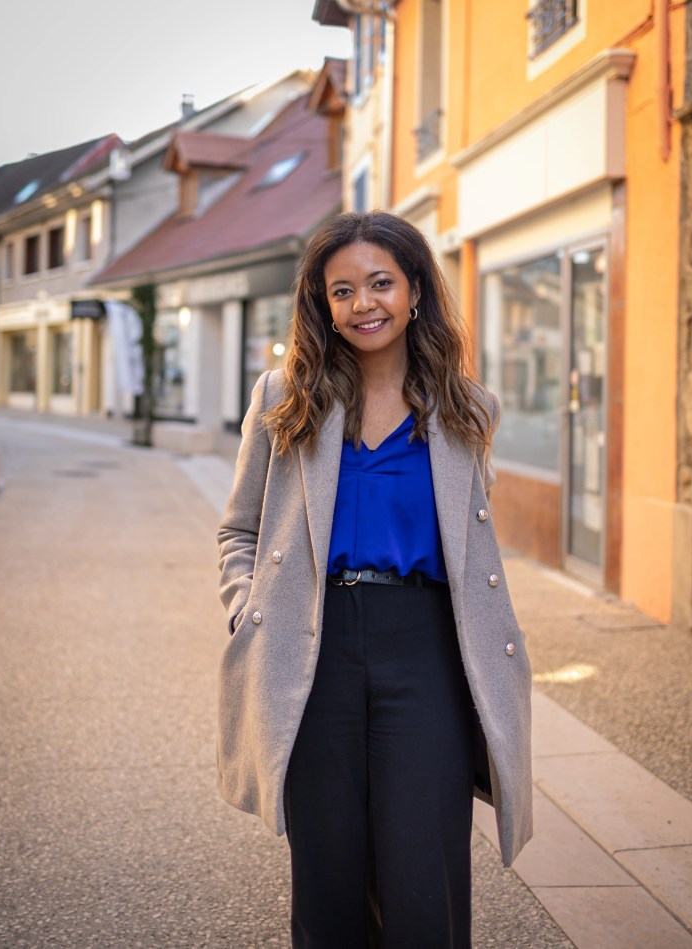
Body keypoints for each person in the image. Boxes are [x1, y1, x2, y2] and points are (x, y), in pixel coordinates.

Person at [216, 211, 532, 948]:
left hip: (426, 652)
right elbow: (238, 530)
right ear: (322, 306)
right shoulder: (282, 398)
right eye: (343, 290)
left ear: (415, 288)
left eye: (381, 283)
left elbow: (472, 551)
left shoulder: (465, 410)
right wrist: (248, 607)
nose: (364, 304)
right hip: (310, 647)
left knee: (426, 878)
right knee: (327, 881)